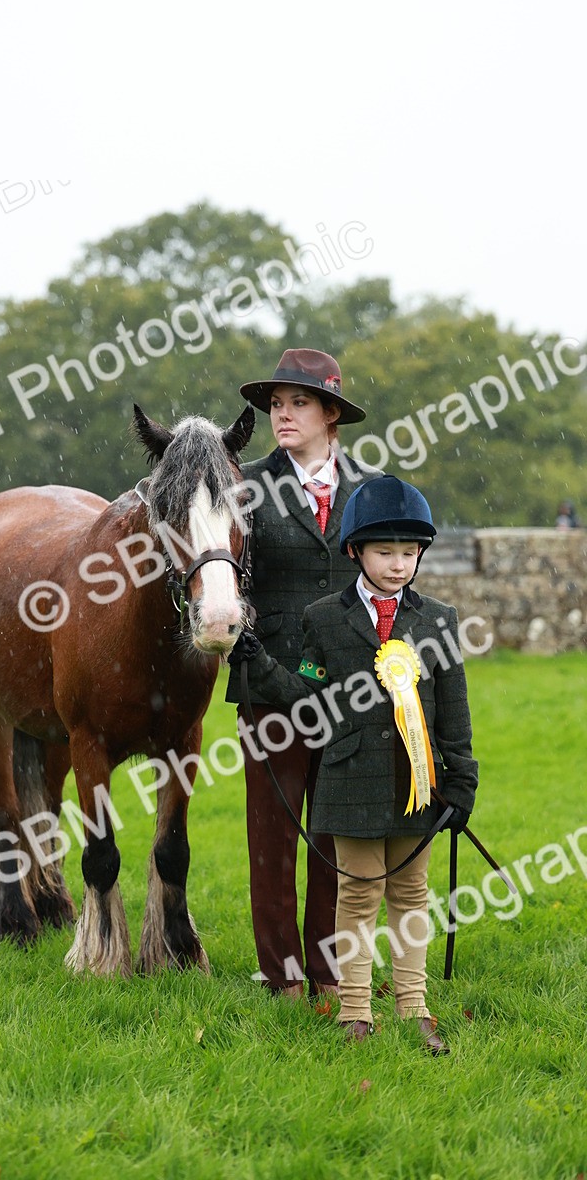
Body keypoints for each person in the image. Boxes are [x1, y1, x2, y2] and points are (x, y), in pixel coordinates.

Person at [231, 475, 478, 1053]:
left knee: (412, 896)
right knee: (358, 893)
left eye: (410, 553)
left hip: (419, 784)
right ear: (354, 552)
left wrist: (461, 782)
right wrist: (260, 666)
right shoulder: (322, 618)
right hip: (349, 782)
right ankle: (356, 1010)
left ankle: (415, 1007)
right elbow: (308, 691)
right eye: (385, 552)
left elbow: (455, 713)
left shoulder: (438, 620)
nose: (398, 565)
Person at [227, 348, 378, 1002]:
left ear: (331, 412)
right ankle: (282, 976)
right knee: (272, 837)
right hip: (268, 682)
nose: (282, 415)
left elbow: (385, 580)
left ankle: (327, 972)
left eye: (298, 403)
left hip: (350, 689)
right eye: (276, 405)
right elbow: (227, 583)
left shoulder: (372, 489)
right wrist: (256, 657)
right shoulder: (243, 487)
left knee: (333, 837)